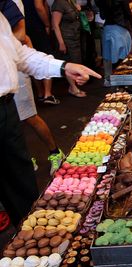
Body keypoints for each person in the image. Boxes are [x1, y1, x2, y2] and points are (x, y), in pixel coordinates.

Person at [0, 10, 101, 225]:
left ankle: (30, 233)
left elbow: (20, 55)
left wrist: (63, 66)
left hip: (6, 108)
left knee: (21, 182)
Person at [2, 0, 65, 175]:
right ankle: (22, 157)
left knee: (28, 116)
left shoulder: (9, 4)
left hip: (15, 74)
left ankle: (54, 152)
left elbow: (21, 37)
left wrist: (63, 67)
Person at [22, 0, 60, 104]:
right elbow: (39, 6)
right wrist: (47, 24)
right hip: (37, 25)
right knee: (45, 56)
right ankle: (47, 94)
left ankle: (40, 93)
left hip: (25, 28)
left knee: (31, 57)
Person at [52, 0, 87, 97]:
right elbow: (55, 25)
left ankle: (74, 86)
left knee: (76, 62)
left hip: (75, 36)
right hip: (66, 38)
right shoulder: (58, 3)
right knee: (69, 62)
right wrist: (61, 42)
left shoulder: (70, 2)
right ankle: (73, 88)